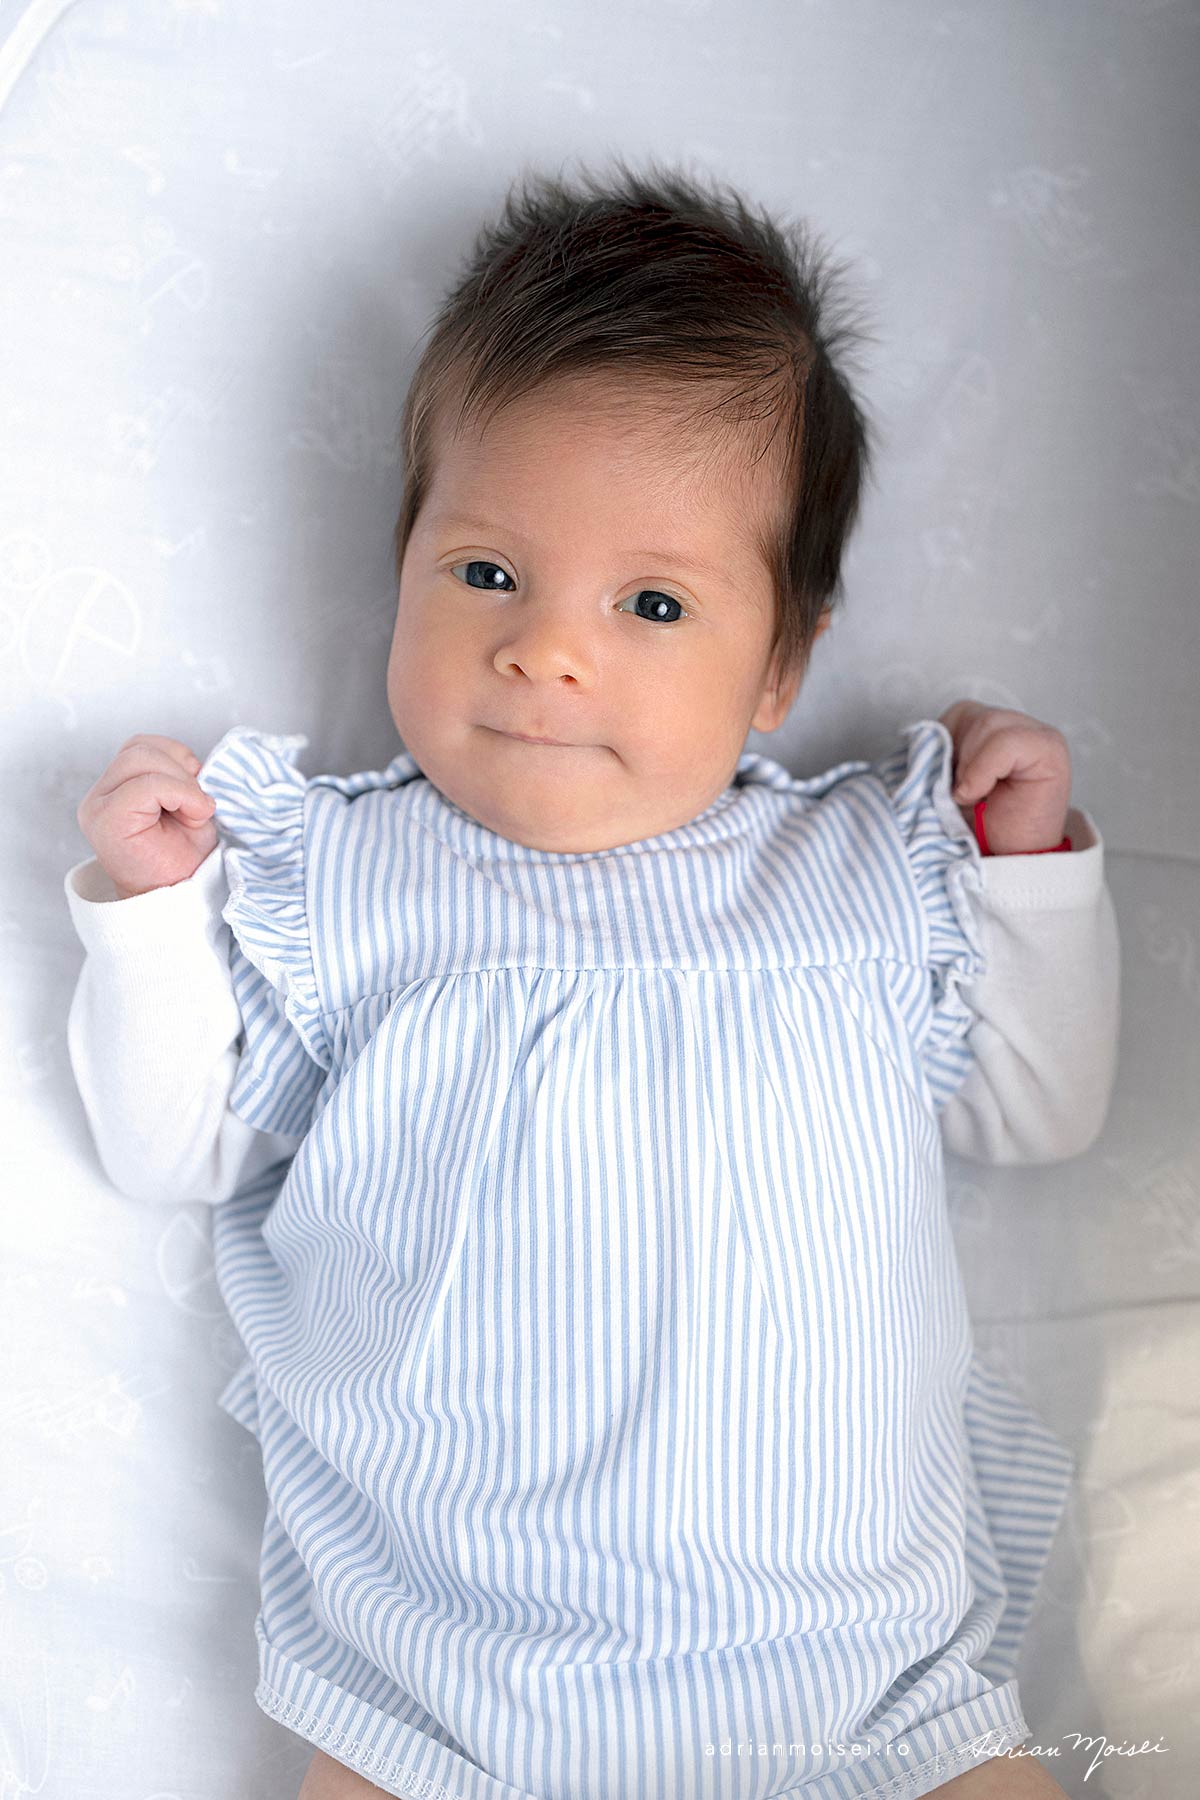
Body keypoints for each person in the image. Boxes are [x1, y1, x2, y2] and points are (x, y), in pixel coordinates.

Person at [63, 156, 1119, 1800]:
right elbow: (169, 1145)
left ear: (782, 663)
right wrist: (150, 914)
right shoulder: (330, 885)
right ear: (402, 566)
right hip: (439, 1681)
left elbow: (1039, 1119)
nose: (548, 649)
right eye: (486, 572)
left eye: (651, 603)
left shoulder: (857, 872)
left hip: (857, 1679)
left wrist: (1031, 874)